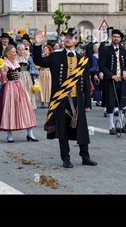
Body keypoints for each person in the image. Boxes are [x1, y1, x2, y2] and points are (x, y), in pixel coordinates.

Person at [33, 28, 97, 168]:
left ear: (76, 41)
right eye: (65, 37)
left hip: (77, 99)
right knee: (62, 130)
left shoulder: (82, 59)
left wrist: (87, 102)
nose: (67, 39)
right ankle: (66, 158)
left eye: (71, 37)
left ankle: (85, 157)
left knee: (82, 130)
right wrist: (37, 44)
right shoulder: (55, 56)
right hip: (61, 99)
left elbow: (86, 81)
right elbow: (38, 61)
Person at [0, 45, 38, 142]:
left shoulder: (15, 62)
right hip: (9, 88)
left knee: (27, 108)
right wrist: (1, 73)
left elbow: (19, 74)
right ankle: (9, 135)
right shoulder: (4, 64)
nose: (15, 53)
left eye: (15, 52)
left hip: (19, 86)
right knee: (10, 110)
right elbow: (1, 80)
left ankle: (30, 134)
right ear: (7, 54)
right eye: (13, 52)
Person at [99, 29, 126, 135]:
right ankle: (111, 126)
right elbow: (102, 65)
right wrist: (111, 75)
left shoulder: (123, 49)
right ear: (112, 38)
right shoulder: (105, 49)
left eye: (118, 37)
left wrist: (125, 71)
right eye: (114, 36)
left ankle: (120, 124)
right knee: (110, 104)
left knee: (121, 103)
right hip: (110, 80)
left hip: (121, 80)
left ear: (121, 39)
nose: (116, 38)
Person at [16, 43, 38, 109]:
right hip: (18, 76)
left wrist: (34, 79)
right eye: (19, 50)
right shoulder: (15, 58)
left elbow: (32, 66)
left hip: (27, 76)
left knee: (29, 91)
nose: (21, 51)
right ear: (17, 50)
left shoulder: (28, 57)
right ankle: (21, 107)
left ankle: (30, 106)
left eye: (22, 50)